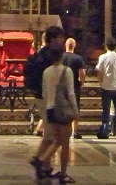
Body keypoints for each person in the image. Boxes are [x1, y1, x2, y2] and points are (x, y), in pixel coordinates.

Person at [34, 45, 78, 183]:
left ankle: (41, 160)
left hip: (50, 109)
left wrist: (46, 111)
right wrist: (76, 111)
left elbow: (45, 92)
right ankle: (61, 172)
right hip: (63, 110)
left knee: (56, 140)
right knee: (64, 143)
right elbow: (70, 93)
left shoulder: (46, 71)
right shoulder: (67, 70)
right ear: (61, 56)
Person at [28, 25, 65, 177]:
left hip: (41, 96)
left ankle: (45, 165)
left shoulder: (41, 53)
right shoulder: (50, 56)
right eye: (60, 38)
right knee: (55, 136)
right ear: (54, 39)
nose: (62, 41)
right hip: (48, 98)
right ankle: (39, 159)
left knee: (50, 134)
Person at [95, 37, 116, 139]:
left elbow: (99, 71)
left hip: (106, 87)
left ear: (106, 46)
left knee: (106, 110)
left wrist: (100, 82)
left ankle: (105, 131)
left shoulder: (103, 57)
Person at [62, 37, 86, 139]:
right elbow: (82, 73)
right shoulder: (78, 58)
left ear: (65, 45)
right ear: (74, 46)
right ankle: (74, 132)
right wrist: (82, 82)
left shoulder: (60, 57)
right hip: (74, 86)